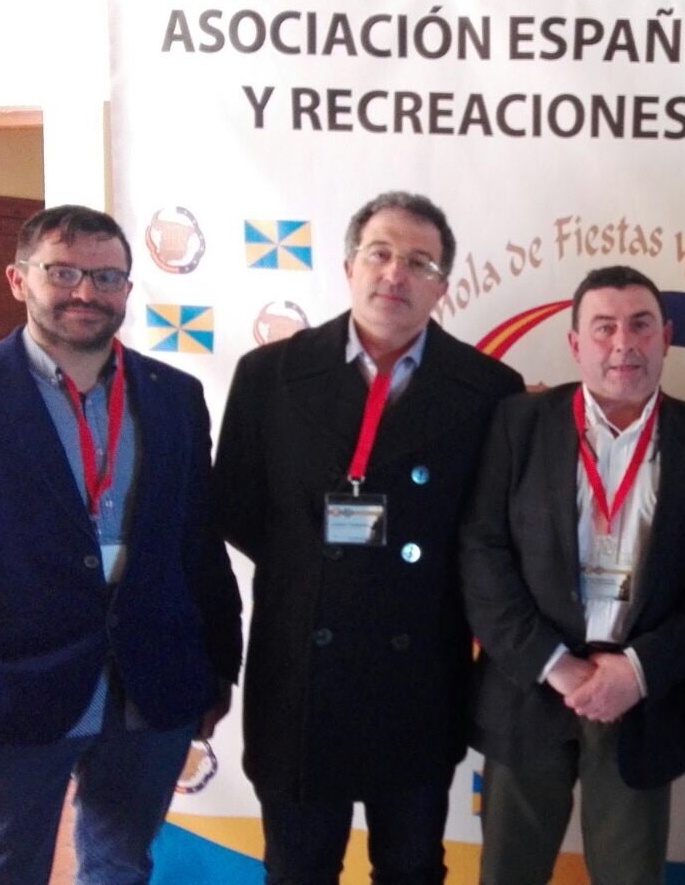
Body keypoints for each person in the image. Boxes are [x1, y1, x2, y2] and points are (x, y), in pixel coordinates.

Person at [0, 205, 242, 884]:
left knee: (122, 866)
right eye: (63, 272)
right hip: (9, 697)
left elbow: (196, 546)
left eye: (106, 276)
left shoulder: (175, 397)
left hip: (150, 689)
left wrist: (216, 670)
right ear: (17, 279)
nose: (86, 292)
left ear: (126, 289)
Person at [213, 192, 523, 884]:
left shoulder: (490, 389)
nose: (395, 274)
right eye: (380, 254)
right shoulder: (270, 375)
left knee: (412, 868)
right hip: (300, 676)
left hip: (417, 676)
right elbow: (235, 505)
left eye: (419, 262)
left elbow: (492, 531)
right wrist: (322, 571)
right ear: (348, 264)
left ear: (443, 284)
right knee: (298, 867)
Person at [460, 265, 685, 885]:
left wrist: (638, 671)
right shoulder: (517, 425)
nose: (623, 344)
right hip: (529, 689)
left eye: (641, 325)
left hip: (641, 700)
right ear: (575, 343)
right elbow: (482, 556)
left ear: (666, 336)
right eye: (604, 327)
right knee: (507, 874)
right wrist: (555, 664)